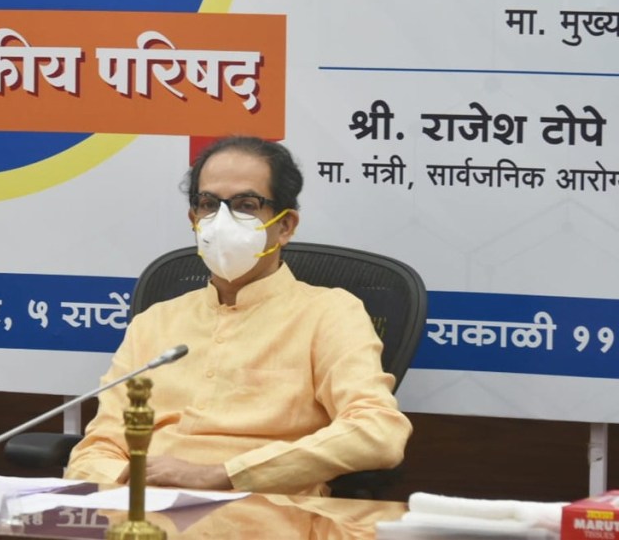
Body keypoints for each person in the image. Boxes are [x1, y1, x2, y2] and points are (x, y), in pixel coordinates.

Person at [63, 136, 412, 495]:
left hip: (268, 509)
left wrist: (223, 474)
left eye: (246, 205)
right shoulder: (154, 322)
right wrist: (133, 485)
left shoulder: (330, 313)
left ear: (285, 226)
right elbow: (96, 451)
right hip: (146, 509)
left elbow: (378, 432)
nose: (222, 220)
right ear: (194, 220)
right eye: (208, 204)